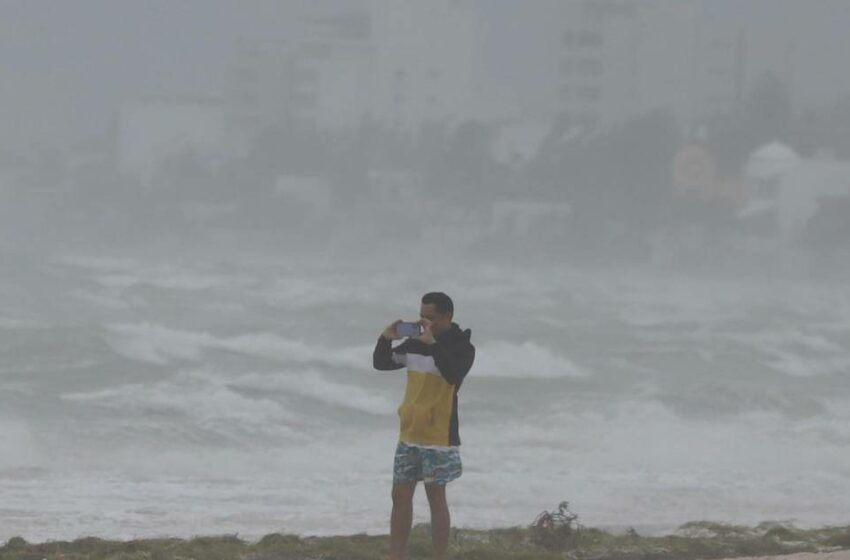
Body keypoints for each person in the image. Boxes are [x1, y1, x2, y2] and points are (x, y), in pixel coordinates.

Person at [373, 292, 475, 560]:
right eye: (422, 317)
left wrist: (432, 344)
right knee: (400, 496)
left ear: (447, 316)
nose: (425, 322)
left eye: (431, 318)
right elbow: (381, 363)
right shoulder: (414, 344)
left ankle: (439, 556)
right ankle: (397, 556)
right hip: (410, 433)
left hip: (439, 435)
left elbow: (453, 373)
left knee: (435, 498)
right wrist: (385, 338)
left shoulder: (461, 346)